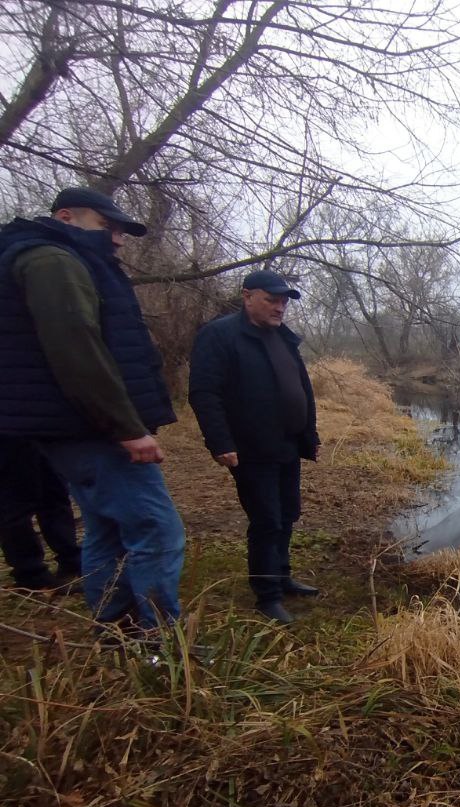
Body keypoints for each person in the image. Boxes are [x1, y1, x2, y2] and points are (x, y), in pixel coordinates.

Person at [0, 186, 184, 631]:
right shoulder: (52, 260)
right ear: (66, 217)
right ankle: (160, 642)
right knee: (158, 531)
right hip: (91, 428)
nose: (118, 239)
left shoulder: (62, 258)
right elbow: (76, 347)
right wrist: (125, 427)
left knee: (107, 528)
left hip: (75, 426)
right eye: (108, 227)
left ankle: (115, 628)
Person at [188, 269, 321, 624]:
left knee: (287, 514)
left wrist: (309, 435)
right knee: (266, 520)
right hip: (250, 447)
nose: (279, 308)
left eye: (283, 302)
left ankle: (281, 576)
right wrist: (220, 441)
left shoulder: (283, 337)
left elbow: (301, 389)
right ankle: (267, 595)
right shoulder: (220, 336)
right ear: (247, 296)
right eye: (271, 300)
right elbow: (204, 393)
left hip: (287, 444)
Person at [0, 437, 81, 591]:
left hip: (40, 430)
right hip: (9, 433)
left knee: (54, 494)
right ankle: (31, 574)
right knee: (15, 504)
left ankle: (71, 560)